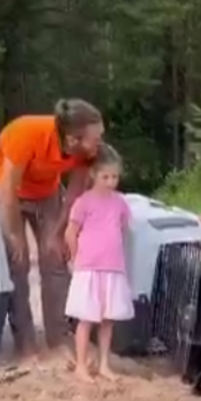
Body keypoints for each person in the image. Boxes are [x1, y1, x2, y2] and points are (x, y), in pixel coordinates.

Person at [0, 99, 105, 359]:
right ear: (74, 139)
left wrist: (59, 231)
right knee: (17, 262)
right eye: (95, 137)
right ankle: (25, 341)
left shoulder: (87, 152)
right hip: (8, 191)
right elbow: (7, 188)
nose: (100, 142)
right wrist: (16, 236)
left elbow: (75, 190)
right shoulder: (26, 133)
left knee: (55, 256)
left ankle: (59, 337)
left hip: (47, 193)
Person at [63, 145, 133, 381]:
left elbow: (123, 230)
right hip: (89, 267)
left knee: (107, 319)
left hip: (113, 267)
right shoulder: (84, 202)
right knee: (86, 318)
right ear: (93, 174)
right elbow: (70, 233)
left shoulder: (120, 202)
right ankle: (81, 365)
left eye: (114, 177)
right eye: (105, 177)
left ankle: (104, 363)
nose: (111, 182)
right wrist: (74, 258)